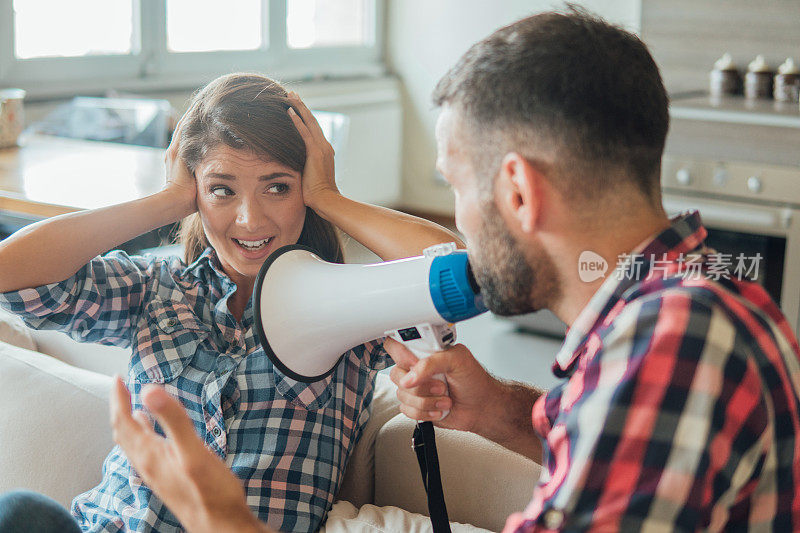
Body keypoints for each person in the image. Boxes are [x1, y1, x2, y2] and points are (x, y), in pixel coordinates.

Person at [50, 8, 800, 533]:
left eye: (454, 186)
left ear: (516, 192)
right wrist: (506, 411)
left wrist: (225, 521)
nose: (458, 223)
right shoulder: (674, 312)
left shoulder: (674, 341)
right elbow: (620, 455)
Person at [0, 73, 462, 532]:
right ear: (194, 188)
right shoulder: (155, 289)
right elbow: (10, 271)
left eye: (278, 187)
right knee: (20, 512)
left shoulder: (349, 309)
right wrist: (165, 203)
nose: (249, 218)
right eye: (222, 189)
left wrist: (328, 198)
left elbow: (450, 267)